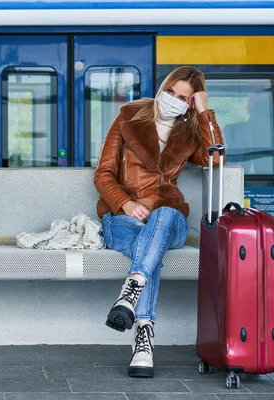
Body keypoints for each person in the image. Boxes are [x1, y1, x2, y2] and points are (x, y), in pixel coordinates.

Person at [94, 66, 225, 378]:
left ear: (190, 103)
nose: (173, 100)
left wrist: (205, 112)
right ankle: (143, 339)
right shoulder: (129, 117)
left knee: (163, 216)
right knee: (148, 247)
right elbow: (103, 174)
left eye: (183, 98)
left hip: (169, 218)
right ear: (163, 88)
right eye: (170, 92)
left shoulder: (190, 132)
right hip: (124, 219)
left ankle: (132, 289)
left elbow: (216, 159)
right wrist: (124, 202)